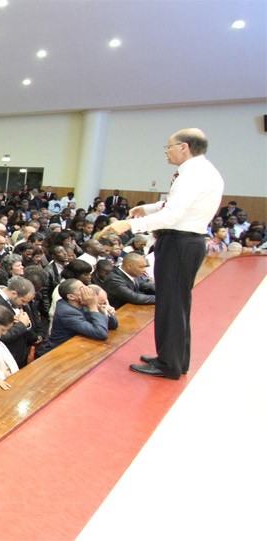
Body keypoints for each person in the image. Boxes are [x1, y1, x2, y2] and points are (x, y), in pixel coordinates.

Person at [103, 129, 224, 379]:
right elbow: (174, 204)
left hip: (179, 242)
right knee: (178, 303)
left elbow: (173, 215)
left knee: (170, 304)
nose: (166, 152)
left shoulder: (193, 174)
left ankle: (168, 363)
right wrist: (146, 209)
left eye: (168, 147)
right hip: (187, 242)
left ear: (184, 147)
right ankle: (176, 358)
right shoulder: (203, 171)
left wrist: (129, 225)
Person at [37, 279, 118, 357]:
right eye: (82, 289)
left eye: (85, 286)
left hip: (79, 346)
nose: (87, 290)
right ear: (71, 296)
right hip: (60, 353)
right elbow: (101, 333)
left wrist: (101, 310)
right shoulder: (67, 312)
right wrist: (93, 306)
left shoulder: (83, 302)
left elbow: (113, 325)